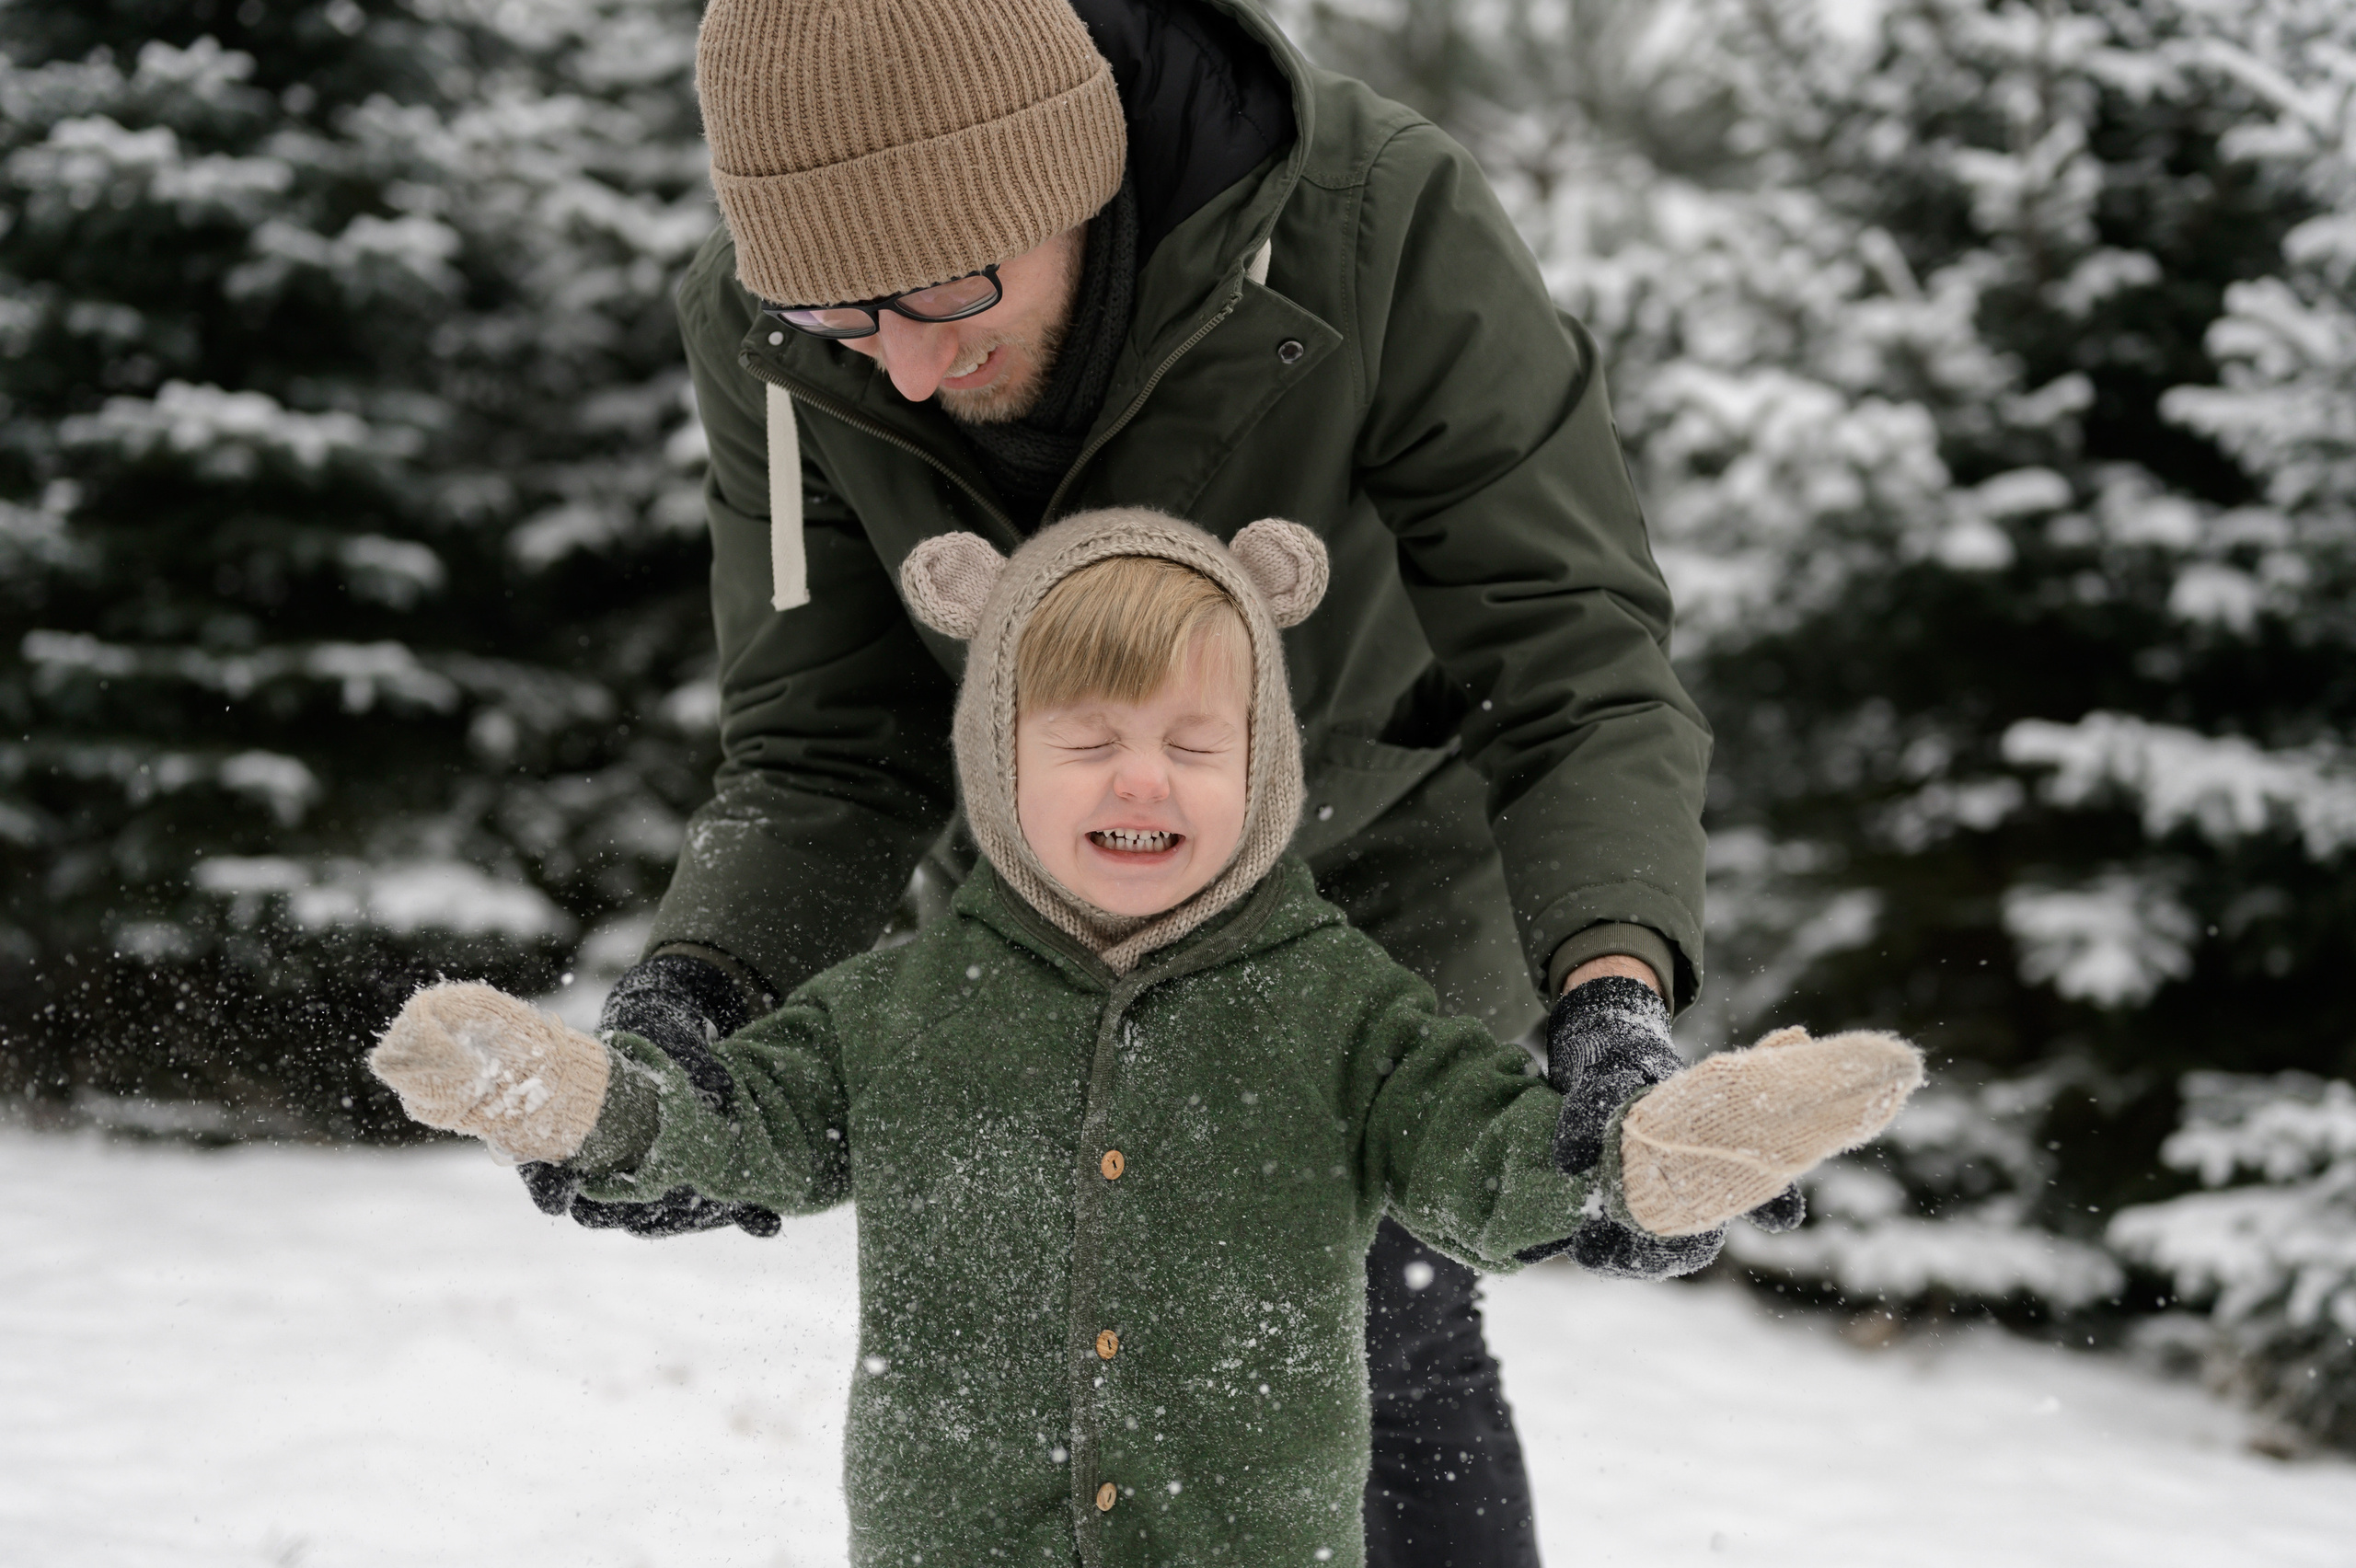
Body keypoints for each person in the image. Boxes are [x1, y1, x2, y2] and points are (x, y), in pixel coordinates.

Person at [524, 1, 1720, 1562]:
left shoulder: (1379, 222)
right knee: (1041, 1356)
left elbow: (1573, 655)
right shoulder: (772, 330)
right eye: (843, 319)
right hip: (1043, 900)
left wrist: (1611, 996)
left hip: (1370, 874)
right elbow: (828, 736)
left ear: (1072, 178)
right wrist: (697, 998)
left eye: (948, 290)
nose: (908, 365)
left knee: (1380, 1324)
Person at [375, 512, 1923, 1568]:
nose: (1148, 780)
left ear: (1261, 767)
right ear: (998, 755)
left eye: (1197, 743)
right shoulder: (910, 1000)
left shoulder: (1340, 1001)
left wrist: (1643, 1161)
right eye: (1090, 740)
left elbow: (1493, 1157)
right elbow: (748, 1122)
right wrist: (599, 1105)